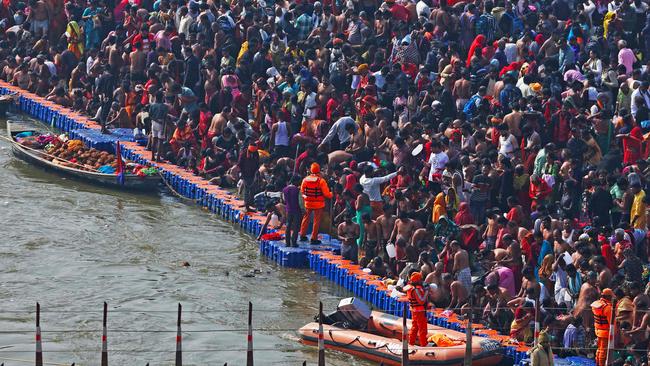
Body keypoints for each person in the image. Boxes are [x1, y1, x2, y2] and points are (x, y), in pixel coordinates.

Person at [300, 163, 333, 244]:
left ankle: (302, 235)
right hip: (318, 204)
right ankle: (313, 238)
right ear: (319, 170)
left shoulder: (305, 180)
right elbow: (326, 194)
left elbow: (302, 191)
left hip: (308, 203)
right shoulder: (321, 181)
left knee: (305, 219)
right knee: (316, 221)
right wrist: (332, 194)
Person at [592, 288, 614, 366]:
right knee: (603, 351)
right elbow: (611, 322)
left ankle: (597, 363)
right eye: (611, 297)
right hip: (605, 332)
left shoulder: (596, 304)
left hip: (597, 330)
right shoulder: (608, 308)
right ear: (608, 297)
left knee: (599, 349)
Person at [405, 271, 428, 346]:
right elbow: (421, 301)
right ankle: (424, 344)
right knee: (422, 328)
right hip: (419, 311)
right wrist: (427, 292)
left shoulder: (410, 287)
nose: (422, 281)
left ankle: (411, 343)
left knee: (415, 327)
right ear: (418, 280)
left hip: (414, 310)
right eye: (421, 279)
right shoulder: (416, 289)